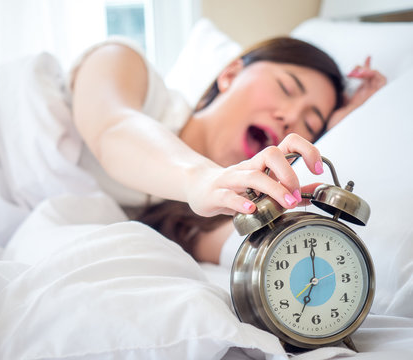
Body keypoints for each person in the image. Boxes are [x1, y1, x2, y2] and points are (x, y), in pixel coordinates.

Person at [71, 36, 386, 264]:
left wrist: (348, 126)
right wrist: (202, 179)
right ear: (230, 74)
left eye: (310, 122)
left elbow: (266, 251)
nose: (290, 118)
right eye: (286, 88)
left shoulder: (196, 216)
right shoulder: (124, 61)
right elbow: (113, 128)